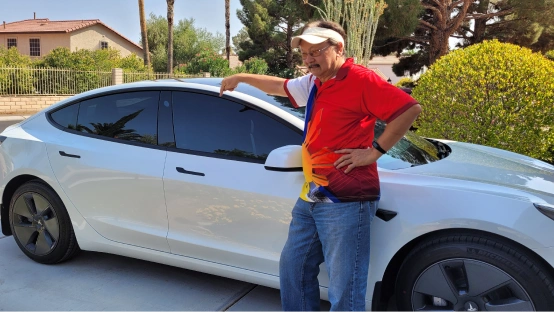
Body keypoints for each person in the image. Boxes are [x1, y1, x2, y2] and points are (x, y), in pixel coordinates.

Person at [220, 20, 421, 312]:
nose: (308, 59)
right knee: (294, 268)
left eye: (315, 51)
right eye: (304, 53)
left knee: (345, 287)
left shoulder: (360, 79)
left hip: (347, 199)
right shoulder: (316, 81)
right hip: (313, 192)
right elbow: (281, 86)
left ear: (338, 48)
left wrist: (374, 152)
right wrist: (241, 77)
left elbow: (408, 109)